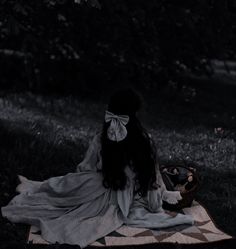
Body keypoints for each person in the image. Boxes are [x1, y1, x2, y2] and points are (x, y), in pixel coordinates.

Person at [1, 88, 194, 247]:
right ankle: (39, 187)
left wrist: (87, 179)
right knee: (68, 186)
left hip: (99, 183)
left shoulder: (102, 136)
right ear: (135, 113)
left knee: (66, 185)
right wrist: (156, 205)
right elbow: (152, 179)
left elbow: (86, 167)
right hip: (123, 195)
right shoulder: (145, 141)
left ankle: (36, 187)